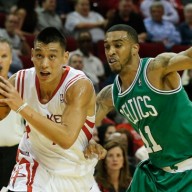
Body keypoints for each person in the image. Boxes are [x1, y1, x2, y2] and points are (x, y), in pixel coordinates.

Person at [0, 27, 106, 192]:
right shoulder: (20, 80)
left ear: (65, 57)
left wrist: (21, 106)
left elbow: (66, 138)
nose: (44, 64)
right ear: (32, 54)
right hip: (35, 166)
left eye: (52, 56)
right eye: (40, 55)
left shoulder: (79, 86)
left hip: (78, 174)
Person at [95, 24, 192, 191]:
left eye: (118, 45)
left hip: (188, 167)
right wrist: (89, 139)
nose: (110, 51)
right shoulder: (109, 95)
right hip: (155, 173)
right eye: (107, 46)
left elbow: (188, 57)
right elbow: (83, 125)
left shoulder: (157, 68)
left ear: (135, 48)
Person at [0, 37, 25, 190]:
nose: (0, 61)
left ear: (10, 59)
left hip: (14, 155)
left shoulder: (21, 87)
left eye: (3, 56)